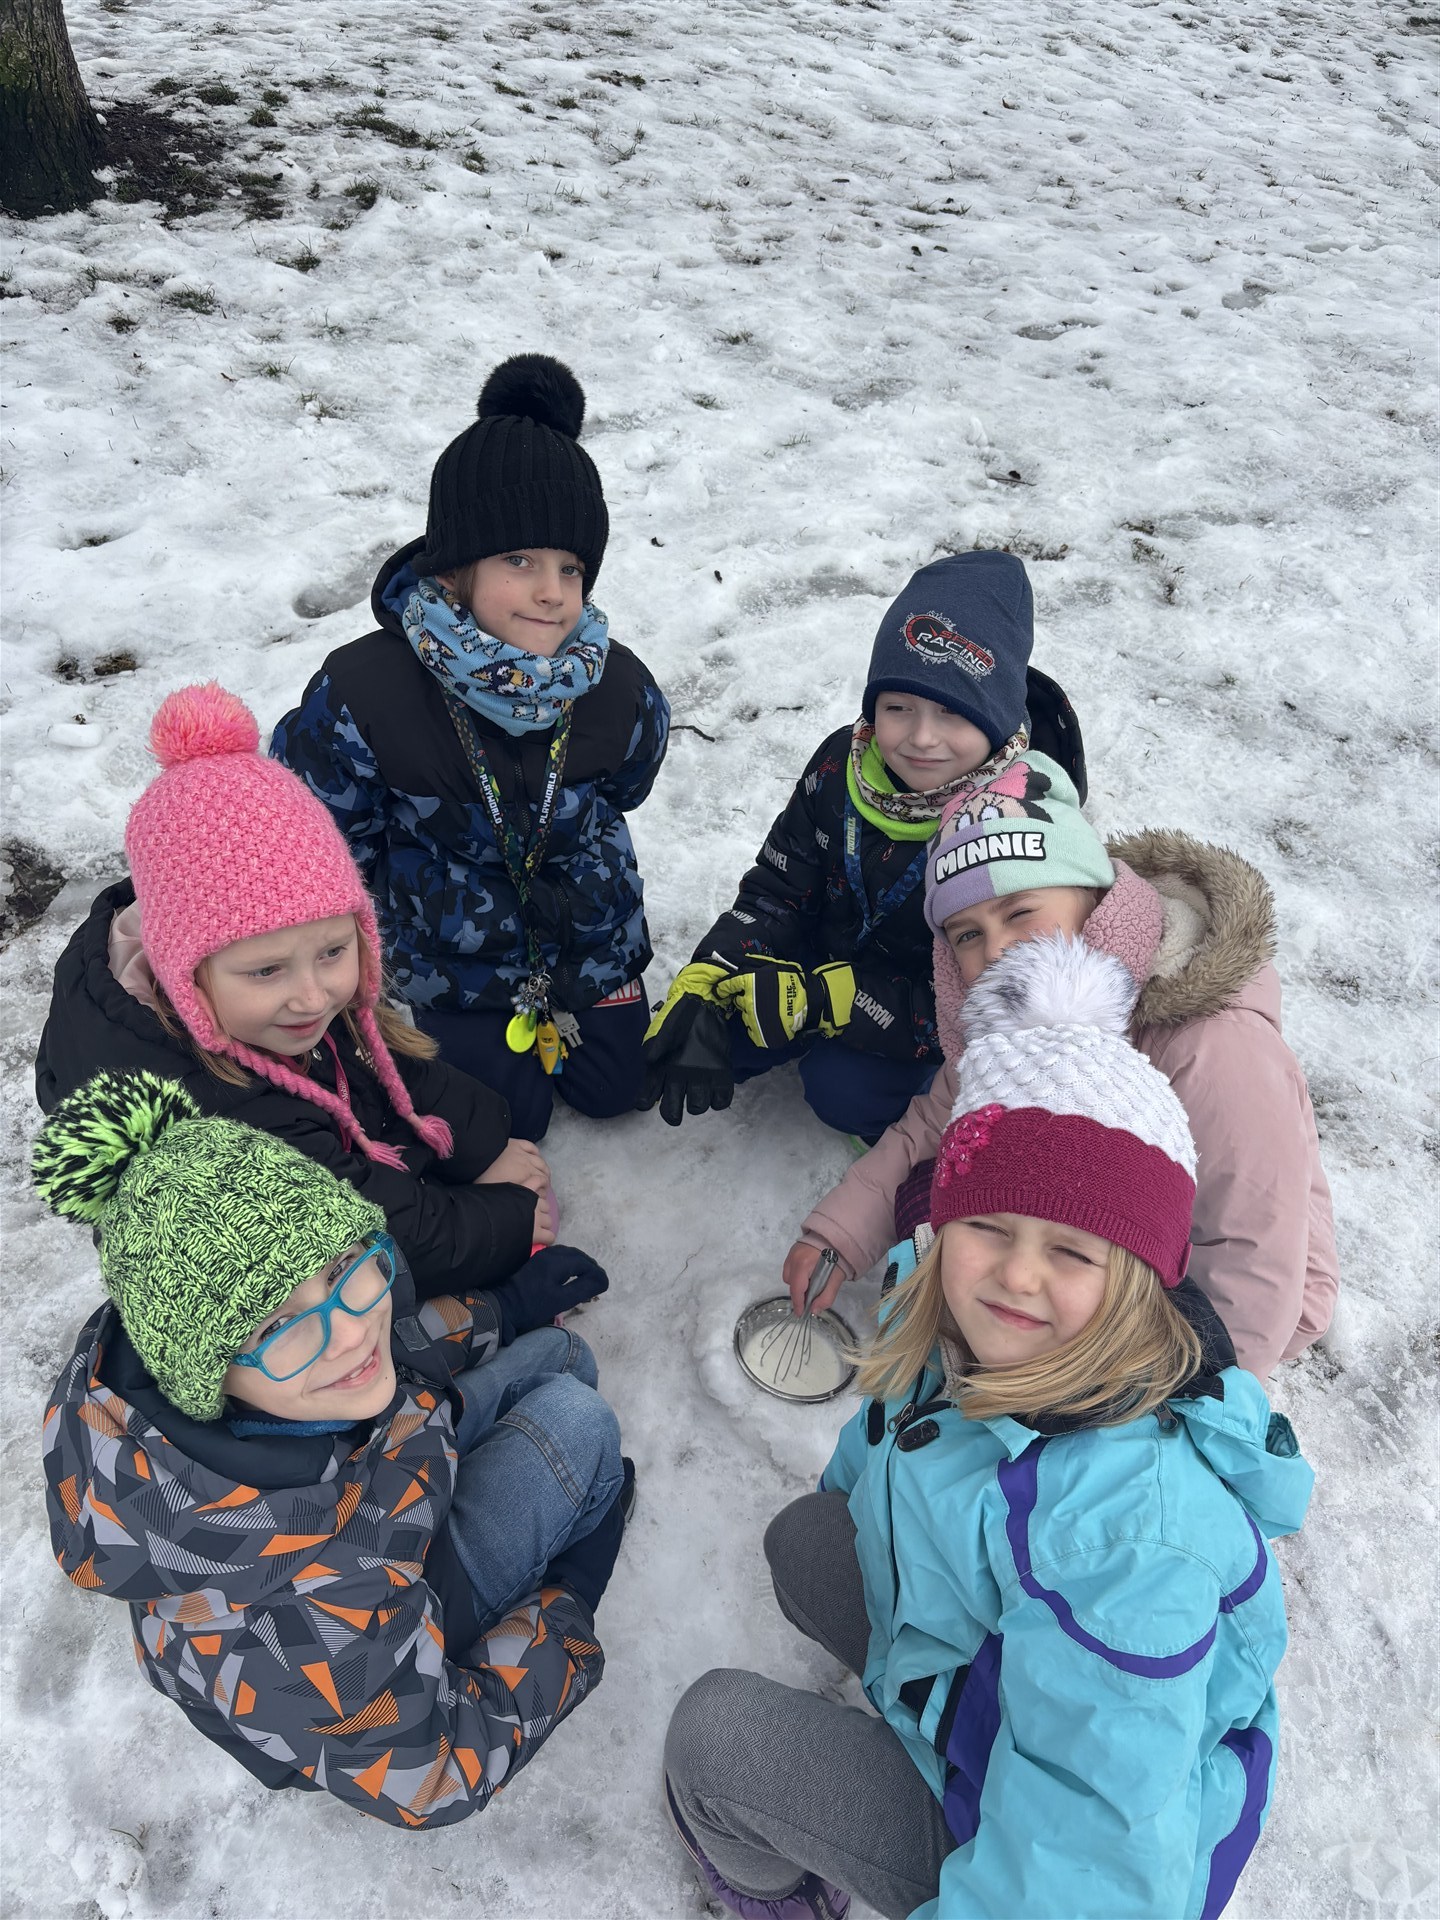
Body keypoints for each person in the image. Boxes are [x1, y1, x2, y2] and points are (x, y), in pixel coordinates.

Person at [664, 935, 1314, 1920]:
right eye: (989, 1227)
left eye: (1071, 1250)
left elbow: (1084, 1882)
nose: (1016, 1273)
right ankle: (914, 1729)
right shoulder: (957, 1327)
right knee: (808, 1538)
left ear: (1137, 1282)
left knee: (713, 1742)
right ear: (943, 1225)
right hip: (995, 1692)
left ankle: (787, 1895)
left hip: (1045, 1844)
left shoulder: (1126, 1545)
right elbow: (883, 1454)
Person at [36, 1068, 631, 1827]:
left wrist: (504, 1308)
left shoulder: (283, 1383)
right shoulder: (292, 1625)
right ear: (205, 1377)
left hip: (385, 1484)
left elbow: (399, 1343)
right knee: (580, 1422)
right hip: (376, 1616)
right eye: (276, 1325)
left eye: (343, 1266)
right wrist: (569, 1603)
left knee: (563, 1355)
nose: (350, 1331)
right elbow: (436, 1776)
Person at [786, 751, 1338, 1379]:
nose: (997, 949)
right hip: (1096, 1217)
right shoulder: (1018, 1013)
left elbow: (1252, 1248)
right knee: (933, 1198)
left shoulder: (1211, 1043)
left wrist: (1195, 1395)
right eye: (967, 935)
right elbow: (931, 1127)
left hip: (1231, 1288)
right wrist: (837, 1236)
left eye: (1020, 913)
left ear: (1097, 900)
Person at [36, 682, 552, 1302]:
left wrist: (481, 1143)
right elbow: (362, 1230)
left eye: (334, 952)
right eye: (266, 972)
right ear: (184, 971)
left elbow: (384, 1060)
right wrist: (505, 1220)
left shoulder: (269, 1001)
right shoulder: (213, 1108)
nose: (312, 996)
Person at [270, 353, 670, 1141]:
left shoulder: (615, 686)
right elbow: (323, 840)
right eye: (519, 560)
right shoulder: (366, 693)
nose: (550, 591)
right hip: (452, 966)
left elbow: (629, 783)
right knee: (502, 1119)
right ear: (455, 569)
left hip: (588, 947)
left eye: (570, 568)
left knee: (621, 1086)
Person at [638, 550, 1084, 1144]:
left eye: (953, 713)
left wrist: (836, 1003)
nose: (921, 737)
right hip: (819, 967)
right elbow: (777, 892)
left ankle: (913, 1130)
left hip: (914, 1009)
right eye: (898, 707)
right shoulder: (840, 764)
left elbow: (984, 995)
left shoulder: (1015, 823)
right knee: (711, 1026)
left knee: (840, 1086)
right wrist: (711, 972)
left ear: (999, 717)